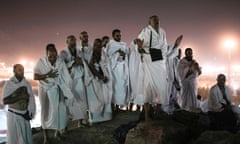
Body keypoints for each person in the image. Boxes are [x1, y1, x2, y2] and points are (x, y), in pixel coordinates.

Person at [134, 15, 182, 120]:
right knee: (148, 87)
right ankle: (147, 115)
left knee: (162, 86)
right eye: (154, 21)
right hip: (149, 61)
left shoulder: (163, 32)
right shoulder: (145, 31)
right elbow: (138, 47)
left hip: (160, 62)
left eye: (157, 21)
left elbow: (164, 48)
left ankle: (158, 111)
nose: (156, 22)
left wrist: (175, 46)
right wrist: (139, 47)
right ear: (149, 22)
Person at [34, 44, 74, 143]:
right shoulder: (41, 61)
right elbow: (35, 77)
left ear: (56, 52)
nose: (52, 55)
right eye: (50, 52)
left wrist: (66, 90)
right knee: (46, 111)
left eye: (54, 51)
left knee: (59, 110)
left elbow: (66, 76)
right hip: (44, 90)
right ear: (46, 53)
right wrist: (48, 75)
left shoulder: (60, 61)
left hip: (58, 88)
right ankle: (46, 138)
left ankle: (58, 133)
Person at [60, 35, 89, 127]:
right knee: (70, 101)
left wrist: (79, 62)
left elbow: (83, 62)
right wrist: (73, 62)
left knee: (81, 100)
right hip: (69, 80)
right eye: (71, 40)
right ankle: (66, 125)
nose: (73, 42)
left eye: (74, 40)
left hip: (79, 78)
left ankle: (80, 122)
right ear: (67, 41)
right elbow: (61, 66)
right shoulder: (63, 52)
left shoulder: (79, 51)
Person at [2, 64, 36, 144]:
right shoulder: (9, 84)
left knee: (26, 139)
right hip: (14, 116)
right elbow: (5, 101)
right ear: (14, 71)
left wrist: (30, 112)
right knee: (15, 140)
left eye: (23, 70)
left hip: (25, 115)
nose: (22, 72)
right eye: (19, 70)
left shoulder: (26, 83)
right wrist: (19, 97)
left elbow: (31, 99)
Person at [86, 38, 112, 123]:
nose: (98, 47)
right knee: (97, 100)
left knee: (105, 97)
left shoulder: (102, 53)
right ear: (94, 46)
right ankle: (95, 118)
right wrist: (101, 77)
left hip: (103, 79)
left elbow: (105, 64)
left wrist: (105, 76)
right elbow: (91, 67)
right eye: (96, 45)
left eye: (99, 46)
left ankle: (106, 117)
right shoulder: (92, 54)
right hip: (95, 80)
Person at [107, 29, 130, 111]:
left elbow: (127, 55)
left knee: (122, 88)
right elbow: (108, 57)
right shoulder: (110, 44)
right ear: (113, 36)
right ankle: (114, 106)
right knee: (114, 87)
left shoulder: (124, 44)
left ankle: (120, 106)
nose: (119, 37)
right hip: (114, 70)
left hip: (122, 69)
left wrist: (124, 56)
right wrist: (117, 54)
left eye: (120, 35)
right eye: (117, 36)